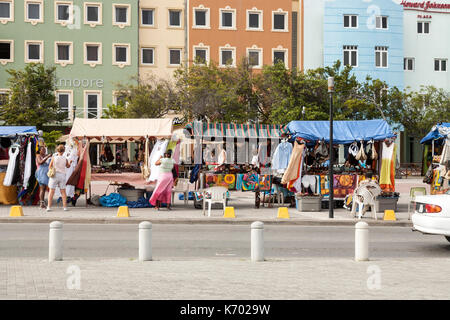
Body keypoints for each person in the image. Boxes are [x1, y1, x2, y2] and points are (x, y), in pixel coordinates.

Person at [47, 144, 72, 212]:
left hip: (55, 175)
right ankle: (65, 207)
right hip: (62, 175)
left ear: (57, 150)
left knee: (51, 191)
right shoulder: (65, 159)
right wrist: (70, 162)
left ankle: (49, 207)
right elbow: (68, 166)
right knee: (63, 191)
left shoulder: (54, 158)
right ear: (64, 151)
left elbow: (50, 166)